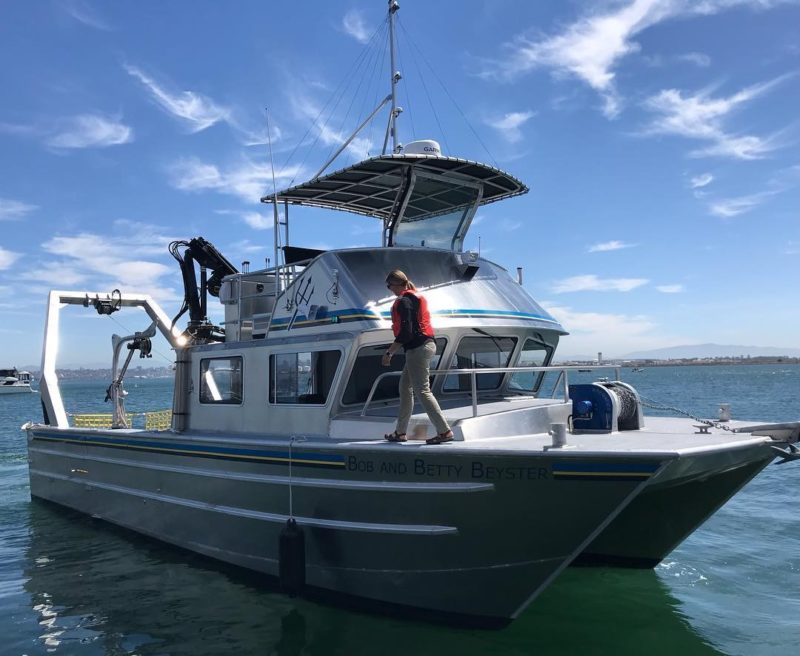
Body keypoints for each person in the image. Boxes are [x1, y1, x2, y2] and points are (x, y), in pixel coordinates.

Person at [382, 269, 454, 445]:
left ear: (397, 284)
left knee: (422, 390)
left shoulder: (404, 302)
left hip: (418, 349)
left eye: (389, 285)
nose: (389, 288)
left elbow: (406, 333)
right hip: (423, 346)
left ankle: (444, 431)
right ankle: (400, 432)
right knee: (405, 387)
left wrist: (389, 352)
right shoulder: (412, 299)